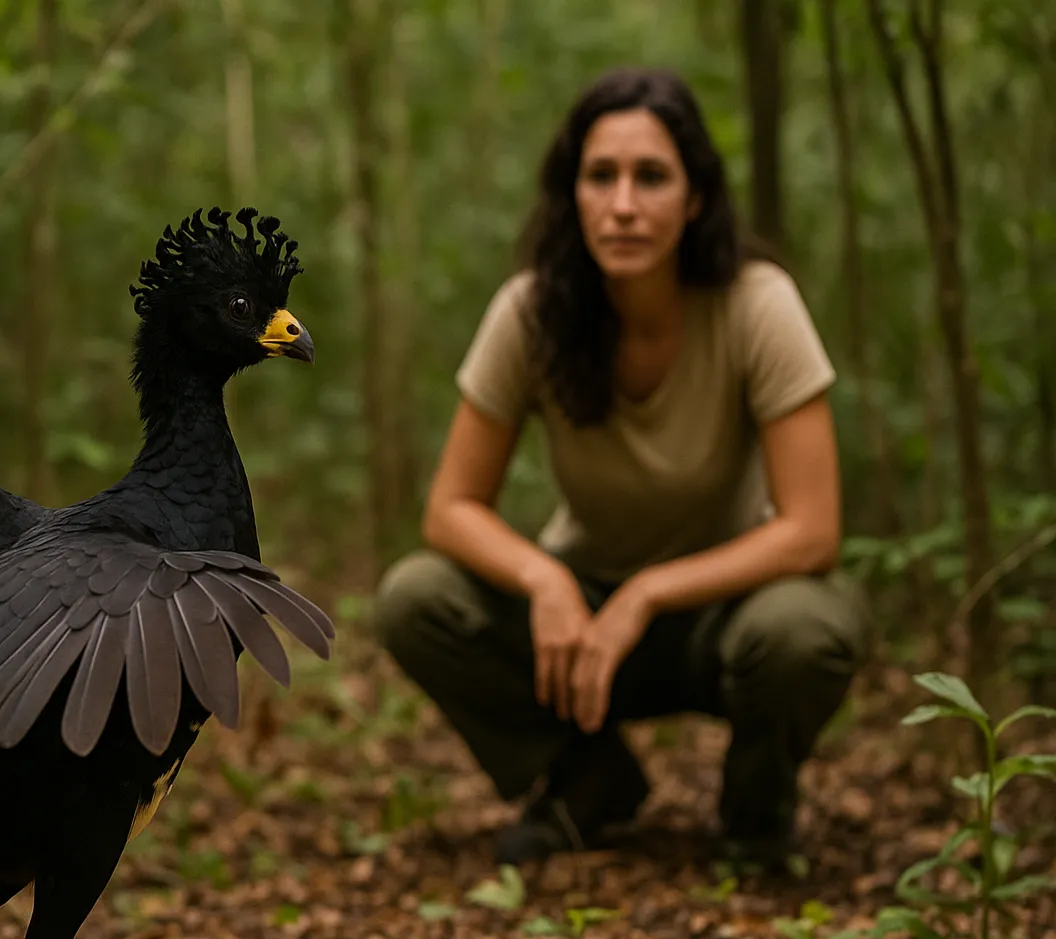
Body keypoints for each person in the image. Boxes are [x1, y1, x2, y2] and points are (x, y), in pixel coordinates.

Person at [372, 67, 870, 870]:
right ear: (572, 194)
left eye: (652, 177)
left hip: (728, 618)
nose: (624, 205)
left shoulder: (758, 303)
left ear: (696, 197)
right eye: (600, 177)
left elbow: (813, 532)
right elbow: (451, 508)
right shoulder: (531, 311)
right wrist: (545, 581)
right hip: (582, 625)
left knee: (803, 631)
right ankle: (586, 780)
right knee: (413, 599)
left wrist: (647, 594)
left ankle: (757, 812)